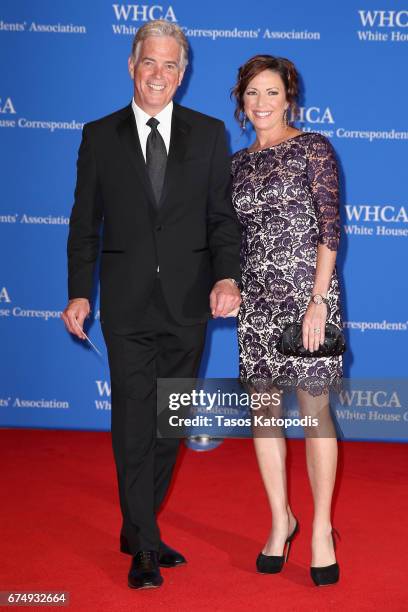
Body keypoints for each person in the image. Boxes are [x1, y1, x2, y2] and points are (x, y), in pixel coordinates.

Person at [62, 20, 241, 590]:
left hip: (189, 305)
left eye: (170, 65)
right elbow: (84, 223)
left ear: (182, 75)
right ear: (132, 66)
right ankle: (144, 545)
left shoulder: (210, 134)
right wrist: (78, 291)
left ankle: (136, 523)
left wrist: (227, 278)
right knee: (134, 421)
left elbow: (221, 222)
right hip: (128, 306)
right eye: (149, 63)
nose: (159, 74)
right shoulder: (99, 135)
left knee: (171, 423)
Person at [231, 55, 343, 586]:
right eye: (252, 93)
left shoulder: (313, 147)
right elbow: (230, 241)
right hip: (256, 303)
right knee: (264, 414)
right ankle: (282, 520)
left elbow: (329, 228)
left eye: (271, 92)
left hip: (308, 297)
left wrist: (318, 300)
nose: (261, 103)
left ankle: (320, 527)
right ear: (240, 100)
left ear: (288, 97)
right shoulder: (235, 164)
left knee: (315, 414)